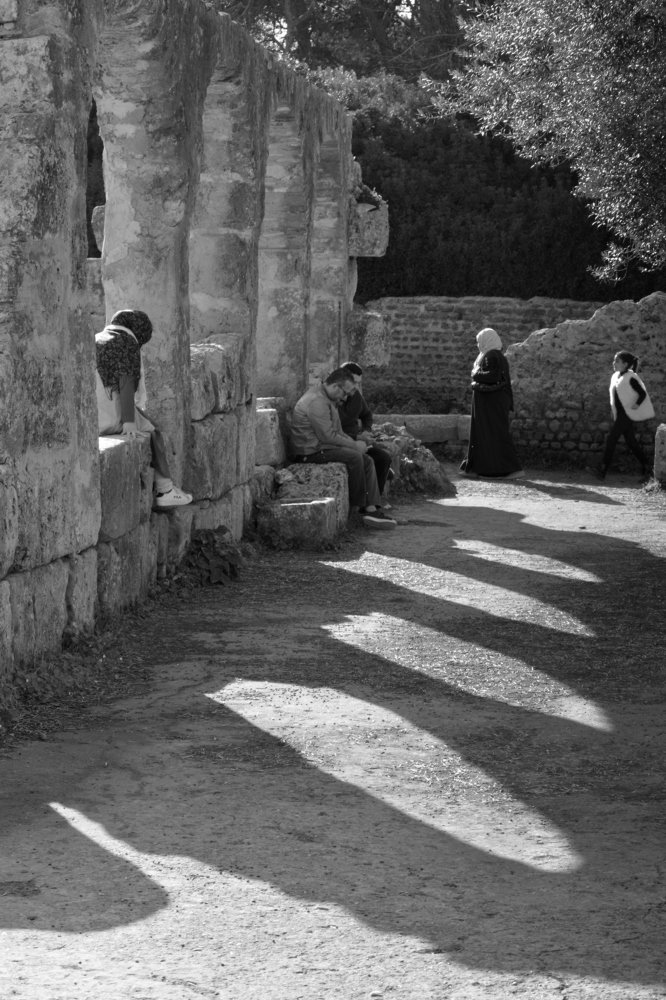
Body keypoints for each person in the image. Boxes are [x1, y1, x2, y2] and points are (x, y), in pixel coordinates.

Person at [95, 309, 193, 509]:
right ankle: (165, 490)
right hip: (110, 417)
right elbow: (125, 382)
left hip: (92, 419)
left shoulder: (98, 338)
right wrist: (129, 421)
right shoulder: (127, 343)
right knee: (153, 430)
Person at [289, 368, 397, 529]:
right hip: (310, 452)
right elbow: (328, 436)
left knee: (367, 459)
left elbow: (338, 432)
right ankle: (356, 507)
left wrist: (359, 444)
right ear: (335, 387)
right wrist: (354, 446)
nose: (345, 398)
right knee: (355, 457)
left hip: (322, 447)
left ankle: (371, 509)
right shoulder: (316, 401)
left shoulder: (327, 398)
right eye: (345, 393)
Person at [459, 327, 524, 479]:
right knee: (487, 435)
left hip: (493, 405)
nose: (478, 345)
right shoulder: (493, 355)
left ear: (487, 341)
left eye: (479, 342)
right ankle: (481, 468)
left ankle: (511, 469)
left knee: (496, 435)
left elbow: (492, 376)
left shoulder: (492, 355)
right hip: (491, 404)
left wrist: (475, 374)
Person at [338, 361, 394, 507]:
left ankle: (376, 500)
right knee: (369, 460)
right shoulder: (333, 399)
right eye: (354, 382)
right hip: (342, 442)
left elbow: (367, 415)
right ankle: (364, 506)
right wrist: (356, 437)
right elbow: (332, 430)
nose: (356, 387)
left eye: (359, 383)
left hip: (358, 440)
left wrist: (366, 431)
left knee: (384, 458)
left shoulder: (356, 397)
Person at [596, 350, 654, 479]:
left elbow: (642, 393)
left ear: (626, 364)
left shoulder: (631, 377)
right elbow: (615, 396)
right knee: (631, 442)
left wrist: (637, 405)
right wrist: (613, 409)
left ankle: (602, 469)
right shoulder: (617, 376)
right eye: (614, 360)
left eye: (617, 361)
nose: (614, 363)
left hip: (627, 415)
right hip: (621, 414)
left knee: (612, 439)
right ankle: (647, 466)